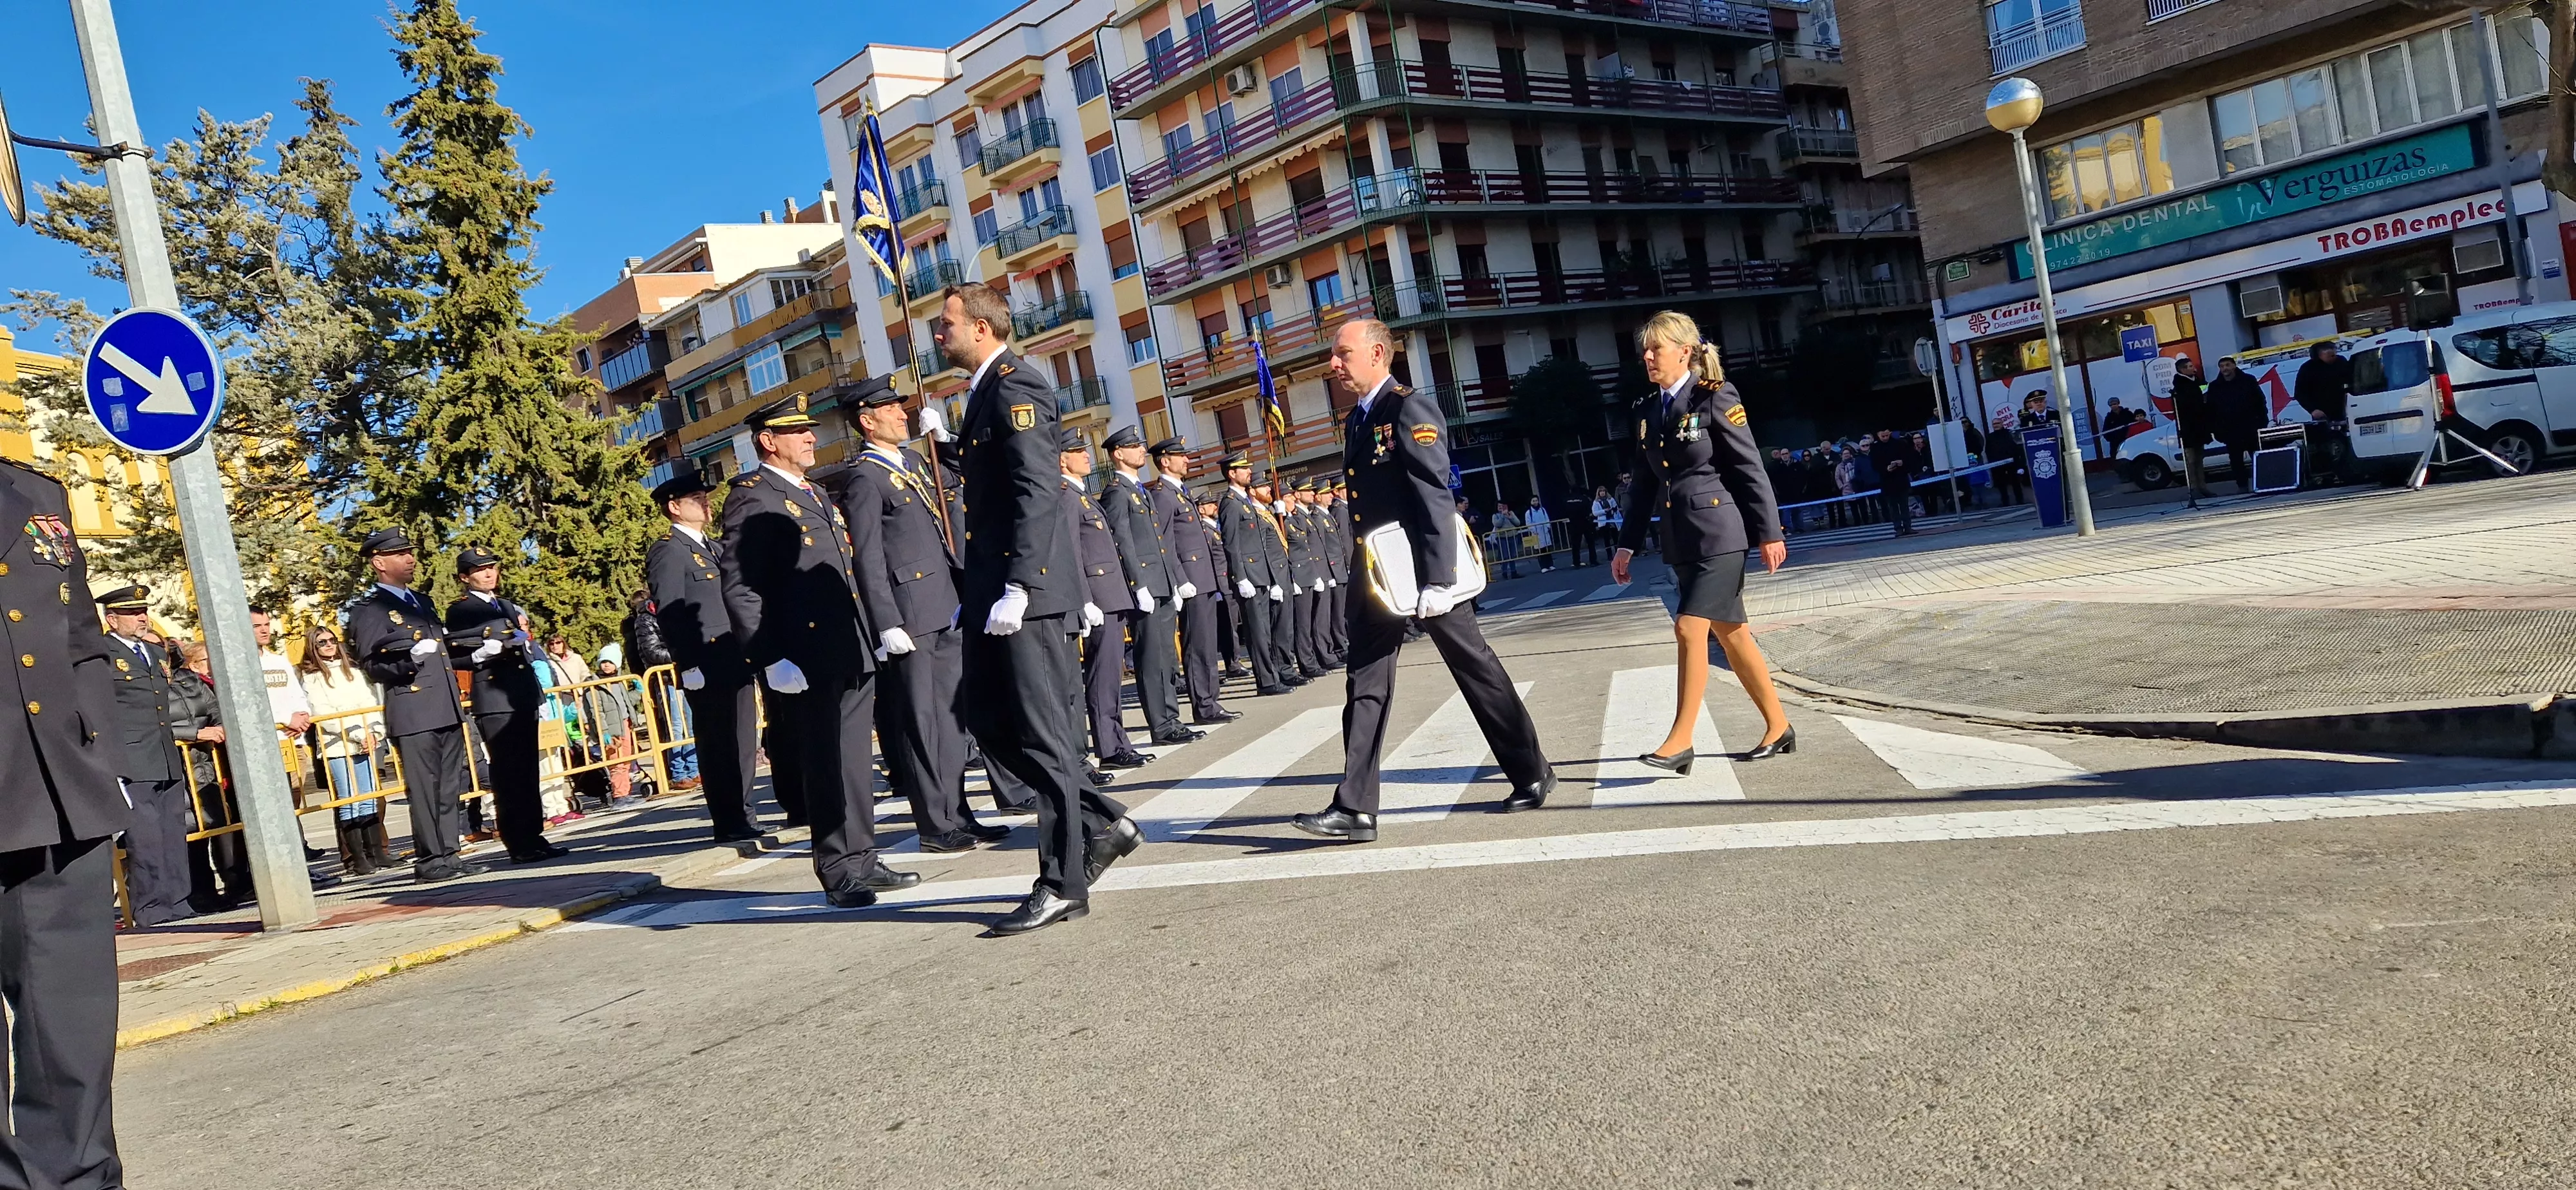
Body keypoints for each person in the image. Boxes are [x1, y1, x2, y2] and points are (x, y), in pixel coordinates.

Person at [1293, 319, 1554, 844]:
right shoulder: (1358, 419)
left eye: (1343, 354)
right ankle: (1355, 807)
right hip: (1376, 572)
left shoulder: (1407, 407)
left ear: (1378, 353)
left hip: (1422, 570)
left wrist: (1438, 580)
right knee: (1364, 681)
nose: (1334, 364)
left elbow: (1434, 494)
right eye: (1334, 355)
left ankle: (1530, 770)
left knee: (1474, 668)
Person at [940, 281, 1138, 934]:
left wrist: (1022, 585)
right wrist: (947, 447)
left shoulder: (1017, 385)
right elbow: (996, 478)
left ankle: (1062, 881)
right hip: (994, 589)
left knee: (1044, 734)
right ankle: (1105, 822)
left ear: (981, 328)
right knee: (990, 724)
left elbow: (1034, 490)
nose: (938, 337)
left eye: (947, 325)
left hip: (1022, 591)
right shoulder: (984, 392)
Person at [719, 392, 922, 907]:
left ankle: (863, 856)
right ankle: (837, 868)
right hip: (803, 655)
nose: (812, 438)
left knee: (855, 759)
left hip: (847, 644)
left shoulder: (808, 491)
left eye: (810, 429)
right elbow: (741, 585)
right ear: (768, 441)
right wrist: (768, 656)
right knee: (826, 760)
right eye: (797, 432)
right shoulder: (753, 495)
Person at [1, 458, 133, 1187]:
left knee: (72, 1027)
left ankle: (77, 1180)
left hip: (59, 793)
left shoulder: (35, 492)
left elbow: (81, 638)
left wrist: (100, 755)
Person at [1611, 310, 1794, 770]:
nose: (1648, 357)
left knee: (1689, 627)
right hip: (1681, 536)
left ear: (1685, 352)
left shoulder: (1714, 397)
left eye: (1657, 349)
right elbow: (1643, 485)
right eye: (1645, 350)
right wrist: (1626, 543)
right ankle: (1779, 726)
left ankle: (1681, 741)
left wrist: (1770, 531)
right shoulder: (1646, 411)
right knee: (1732, 636)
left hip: (1721, 534)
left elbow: (1750, 467)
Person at [840, 378, 1009, 855]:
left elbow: (961, 473)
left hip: (945, 603)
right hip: (909, 615)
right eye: (892, 410)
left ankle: (959, 812)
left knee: (953, 719)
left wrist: (941, 440)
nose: (902, 415)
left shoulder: (915, 461)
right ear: (867, 420)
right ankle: (934, 824)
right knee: (921, 722)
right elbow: (868, 556)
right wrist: (885, 620)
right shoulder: (864, 476)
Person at [346, 528, 482, 883]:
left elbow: (443, 650)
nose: (410, 559)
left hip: (446, 704)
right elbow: (372, 666)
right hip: (413, 708)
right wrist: (409, 663)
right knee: (424, 789)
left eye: (410, 552)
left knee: (450, 785)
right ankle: (430, 858)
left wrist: (474, 655)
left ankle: (450, 853)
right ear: (379, 563)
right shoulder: (371, 610)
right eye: (400, 554)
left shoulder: (422, 602)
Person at [647, 471, 770, 844]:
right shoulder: (669, 550)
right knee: (718, 743)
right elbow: (671, 611)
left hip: (735, 655)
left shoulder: (714, 548)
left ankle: (744, 812)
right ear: (674, 507)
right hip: (706, 660)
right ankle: (728, 819)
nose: (706, 504)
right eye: (697, 499)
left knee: (743, 739)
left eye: (705, 497)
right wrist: (688, 664)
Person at [444, 547, 570, 864]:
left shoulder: (506, 605)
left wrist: (537, 694)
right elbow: (456, 651)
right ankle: (517, 840)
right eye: (480, 570)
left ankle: (534, 834)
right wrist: (483, 653)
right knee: (509, 772)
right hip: (494, 697)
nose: (489, 574)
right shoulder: (462, 609)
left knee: (529, 769)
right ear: (465, 577)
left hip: (521, 693)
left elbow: (525, 651)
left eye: (492, 567)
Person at [95, 584, 191, 925]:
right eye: (131, 614)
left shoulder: (156, 653)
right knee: (145, 837)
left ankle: (179, 901)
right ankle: (151, 907)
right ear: (112, 619)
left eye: (143, 612)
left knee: (172, 831)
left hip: (164, 753)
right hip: (132, 759)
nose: (141, 618)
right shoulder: (102, 654)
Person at [1099, 425, 1198, 746]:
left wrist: (1175, 581)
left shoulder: (1140, 489)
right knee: (1152, 657)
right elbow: (1123, 540)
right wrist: (1137, 584)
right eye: (1134, 446)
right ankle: (1162, 724)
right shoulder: (1117, 491)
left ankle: (1171, 718)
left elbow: (1161, 541)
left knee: (1167, 656)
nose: (1142, 450)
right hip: (1147, 587)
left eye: (1141, 444)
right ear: (1118, 454)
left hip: (1162, 584)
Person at [1061, 433, 1147, 770]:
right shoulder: (1067, 497)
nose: (1085, 456)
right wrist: (1084, 599)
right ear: (1061, 460)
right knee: (1102, 674)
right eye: (1076, 452)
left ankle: (1117, 741)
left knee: (1111, 674)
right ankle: (1109, 748)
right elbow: (1071, 552)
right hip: (1098, 596)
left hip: (1111, 593)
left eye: (1085, 450)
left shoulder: (1082, 496)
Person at [1147, 439, 1238, 726]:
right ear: (1165, 461)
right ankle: (1204, 705)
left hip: (1204, 578)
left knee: (1208, 643)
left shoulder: (1180, 493)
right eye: (1180, 456)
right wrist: (1179, 579)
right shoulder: (1163, 495)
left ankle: (1211, 700)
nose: (1186, 460)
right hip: (1191, 580)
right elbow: (1164, 542)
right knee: (1197, 645)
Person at [301, 624, 396, 876]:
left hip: (366, 739)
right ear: (313, 647)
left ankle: (376, 851)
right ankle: (357, 857)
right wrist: (357, 734)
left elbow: (369, 702)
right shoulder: (312, 677)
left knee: (368, 797)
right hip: (337, 746)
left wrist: (374, 732)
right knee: (349, 799)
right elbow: (324, 713)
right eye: (322, 642)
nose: (329, 645)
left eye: (332, 640)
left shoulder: (352, 671)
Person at [1216, 455, 1293, 696]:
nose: (1249, 472)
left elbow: (1262, 543)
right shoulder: (1230, 503)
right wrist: (1240, 578)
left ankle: (1273, 675)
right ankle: (1267, 682)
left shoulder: (1245, 502)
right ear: (1231, 473)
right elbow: (1231, 545)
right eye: (1243, 469)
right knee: (1258, 633)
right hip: (1249, 576)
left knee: (1266, 631)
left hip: (1261, 575)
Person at [621, 585, 693, 792]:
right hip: (665, 678)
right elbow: (652, 651)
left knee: (690, 724)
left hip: (681, 674)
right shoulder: (644, 620)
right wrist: (679, 655)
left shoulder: (671, 614)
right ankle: (679, 773)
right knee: (676, 727)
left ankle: (694, 768)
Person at [1198, 497, 1246, 680]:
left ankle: (1235, 662)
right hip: (1220, 583)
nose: (1214, 507)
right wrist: (1216, 588)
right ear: (1201, 510)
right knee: (1226, 628)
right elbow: (1210, 560)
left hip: (1227, 582)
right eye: (1210, 505)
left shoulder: (1215, 527)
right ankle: (1232, 664)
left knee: (1232, 625)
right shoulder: (1205, 531)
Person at [2206, 355, 2268, 491]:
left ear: (2234, 366)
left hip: (2250, 426)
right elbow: (2211, 409)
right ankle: (2243, 486)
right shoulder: (2215, 386)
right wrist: (2216, 430)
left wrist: (2262, 422)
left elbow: (2260, 401)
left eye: (2227, 365)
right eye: (2222, 366)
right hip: (2230, 429)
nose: (2225, 369)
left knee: (2258, 456)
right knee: (2236, 460)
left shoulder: (2248, 380)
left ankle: (2265, 483)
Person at [2169, 355, 2213, 498]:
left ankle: (2203, 486)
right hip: (2188, 429)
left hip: (2200, 427)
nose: (2193, 368)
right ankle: (2193, 488)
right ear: (2182, 370)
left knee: (2200, 459)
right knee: (2191, 460)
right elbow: (2183, 409)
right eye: (2189, 366)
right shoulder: (2180, 387)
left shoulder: (2198, 382)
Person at [1875, 428, 1917, 538]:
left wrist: (1902, 463)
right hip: (1887, 481)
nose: (1885, 438)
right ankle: (1898, 528)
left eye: (1887, 435)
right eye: (1882, 436)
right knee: (1893, 507)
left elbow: (1909, 458)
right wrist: (1886, 469)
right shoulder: (1876, 448)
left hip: (1901, 478)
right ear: (1878, 435)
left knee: (1904, 505)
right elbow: (1875, 466)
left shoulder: (1900, 444)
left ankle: (1908, 527)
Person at [1488, 500, 1523, 579]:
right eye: (1499, 506)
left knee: (1513, 555)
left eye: (1502, 506)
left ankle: (1514, 572)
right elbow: (1497, 524)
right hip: (1502, 537)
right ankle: (1504, 572)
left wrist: (1511, 517)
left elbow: (1518, 523)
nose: (1501, 507)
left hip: (1513, 535)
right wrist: (1503, 516)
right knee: (1505, 556)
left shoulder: (1511, 513)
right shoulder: (1495, 516)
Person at [1589, 484, 1621, 566]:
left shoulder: (1611, 499)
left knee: (1615, 538)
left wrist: (1613, 510)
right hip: (1604, 522)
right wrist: (1604, 511)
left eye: (1604, 491)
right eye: (1601, 492)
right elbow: (1595, 513)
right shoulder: (1596, 502)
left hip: (1612, 521)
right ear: (1598, 493)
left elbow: (1616, 507)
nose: (1602, 493)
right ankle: (1609, 555)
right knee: (1607, 540)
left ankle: (1618, 554)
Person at [1524, 496, 1555, 572]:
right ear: (1531, 502)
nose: (1535, 502)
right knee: (1540, 551)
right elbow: (1529, 524)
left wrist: (1548, 527)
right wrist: (1534, 531)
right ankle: (1543, 566)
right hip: (1537, 533)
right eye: (1533, 501)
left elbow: (1547, 519)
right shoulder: (1529, 513)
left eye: (1536, 500)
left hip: (1545, 532)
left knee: (1547, 549)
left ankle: (1550, 565)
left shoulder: (1543, 510)